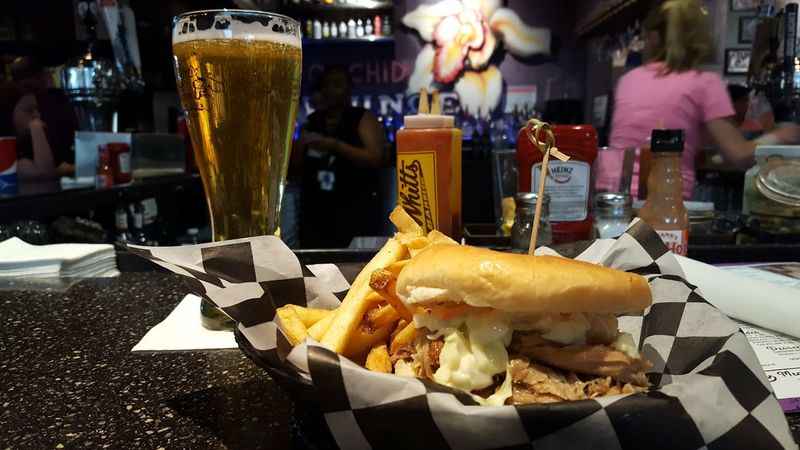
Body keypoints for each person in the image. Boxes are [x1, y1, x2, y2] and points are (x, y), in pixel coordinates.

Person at [604, 0, 800, 199]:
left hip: (611, 200)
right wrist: (785, 134)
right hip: (661, 207)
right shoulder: (704, 83)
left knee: (627, 231)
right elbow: (740, 155)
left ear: (653, 37)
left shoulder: (628, 80)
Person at [292, 66, 388, 248]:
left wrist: (334, 146)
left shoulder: (361, 118)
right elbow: (295, 168)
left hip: (356, 210)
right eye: (326, 85)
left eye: (337, 84)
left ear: (348, 89)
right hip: (316, 215)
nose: (331, 90)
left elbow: (375, 158)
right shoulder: (313, 121)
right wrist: (302, 144)